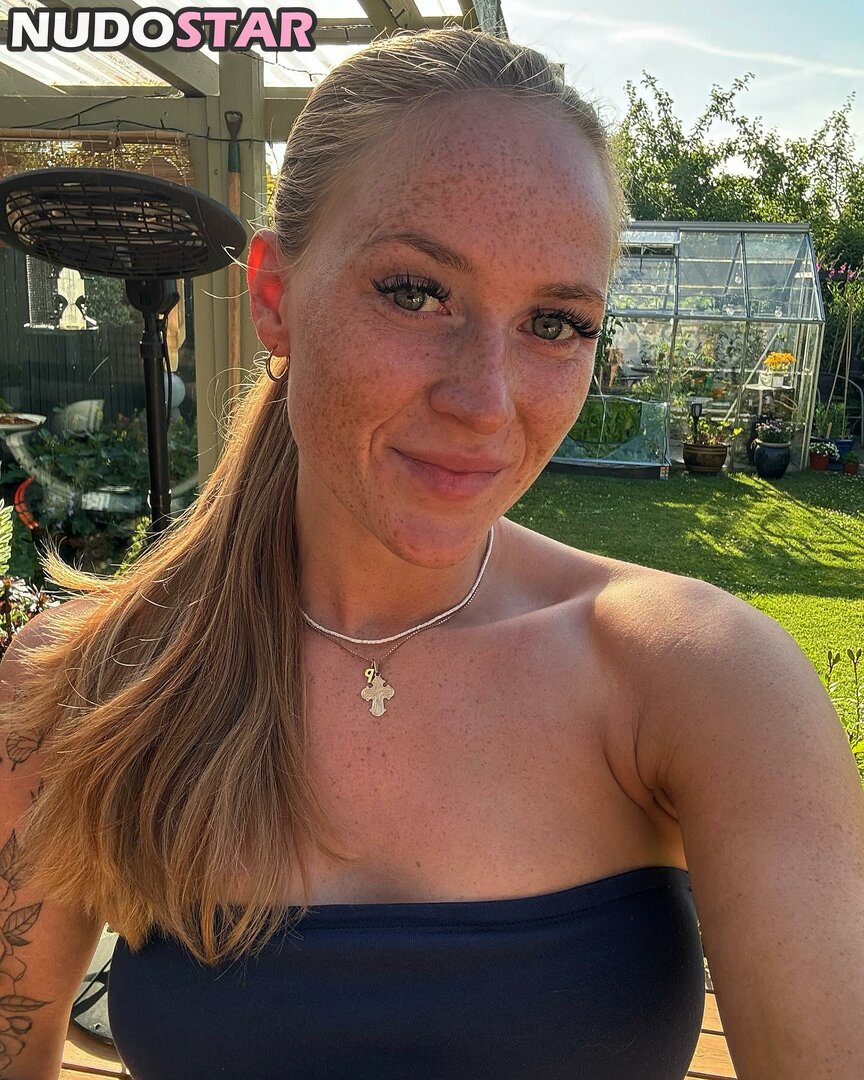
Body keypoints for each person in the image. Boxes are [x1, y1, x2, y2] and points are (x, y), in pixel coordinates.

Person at [0, 26, 862, 1080]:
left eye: (556, 322)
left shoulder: (702, 683)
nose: (485, 401)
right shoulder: (88, 686)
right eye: (415, 291)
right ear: (274, 297)